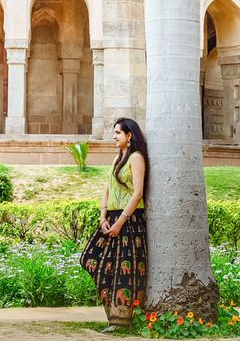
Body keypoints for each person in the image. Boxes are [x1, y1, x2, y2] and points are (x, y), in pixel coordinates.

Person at [79, 117, 148, 332]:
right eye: (115, 132)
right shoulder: (117, 158)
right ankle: (112, 311)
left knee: (123, 271)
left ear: (129, 136)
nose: (114, 136)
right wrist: (103, 217)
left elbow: (137, 193)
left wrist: (120, 222)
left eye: (118, 132)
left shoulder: (136, 158)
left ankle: (120, 321)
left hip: (129, 220)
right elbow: (107, 189)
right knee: (90, 258)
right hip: (111, 218)